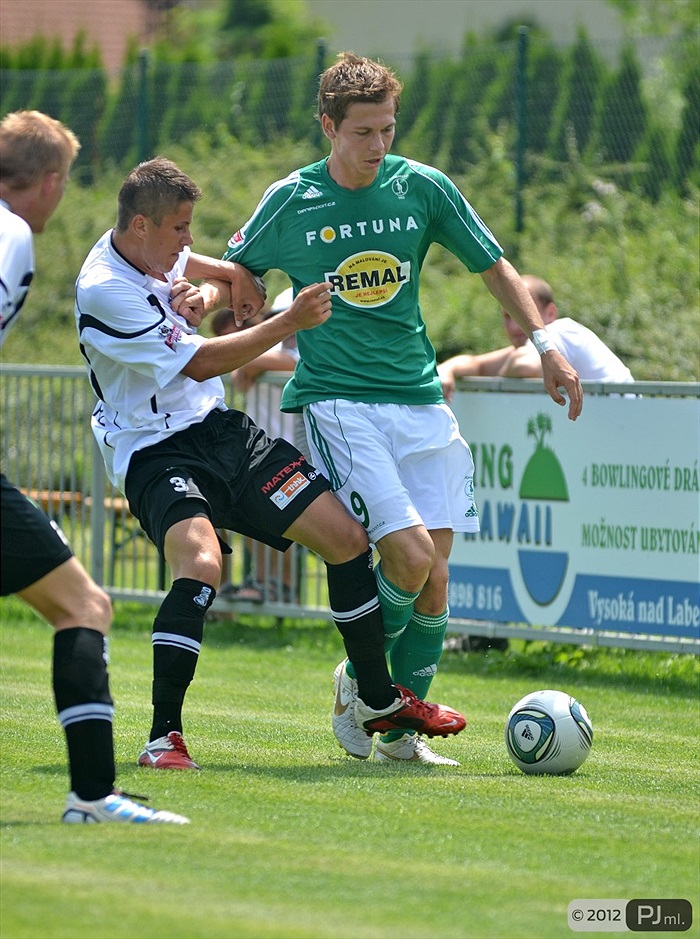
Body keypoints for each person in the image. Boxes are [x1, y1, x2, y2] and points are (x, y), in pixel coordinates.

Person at [217, 52, 583, 766]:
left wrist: (545, 344)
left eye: (387, 128)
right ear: (328, 125)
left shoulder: (423, 187)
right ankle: (366, 684)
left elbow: (492, 264)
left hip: (418, 400)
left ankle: (393, 730)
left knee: (436, 576)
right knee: (410, 559)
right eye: (363, 132)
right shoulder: (293, 198)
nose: (379, 145)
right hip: (340, 401)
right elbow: (240, 262)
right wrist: (218, 297)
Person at [74, 155, 467, 772]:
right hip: (153, 448)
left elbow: (226, 275)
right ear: (142, 225)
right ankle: (162, 738)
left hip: (221, 432)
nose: (187, 240)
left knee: (346, 538)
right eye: (180, 228)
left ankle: (376, 701)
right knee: (202, 562)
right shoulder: (104, 289)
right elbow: (202, 363)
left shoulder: (151, 249)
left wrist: (213, 286)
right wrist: (288, 319)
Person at [0, 111, 188, 824]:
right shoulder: (11, 231)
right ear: (49, 182)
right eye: (66, 182)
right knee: (85, 606)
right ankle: (91, 797)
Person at [212, 287, 305, 603]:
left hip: (292, 448)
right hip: (259, 448)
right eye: (279, 319)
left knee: (285, 522)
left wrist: (249, 363)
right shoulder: (273, 347)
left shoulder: (306, 352)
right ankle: (263, 581)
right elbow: (245, 369)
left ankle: (283, 586)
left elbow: (290, 364)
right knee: (254, 519)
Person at [438, 274, 634, 399]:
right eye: (508, 316)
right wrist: (446, 369)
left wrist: (496, 387)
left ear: (550, 313)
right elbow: (478, 365)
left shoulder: (560, 330)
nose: (515, 326)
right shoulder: (535, 348)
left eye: (522, 315)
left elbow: (524, 365)